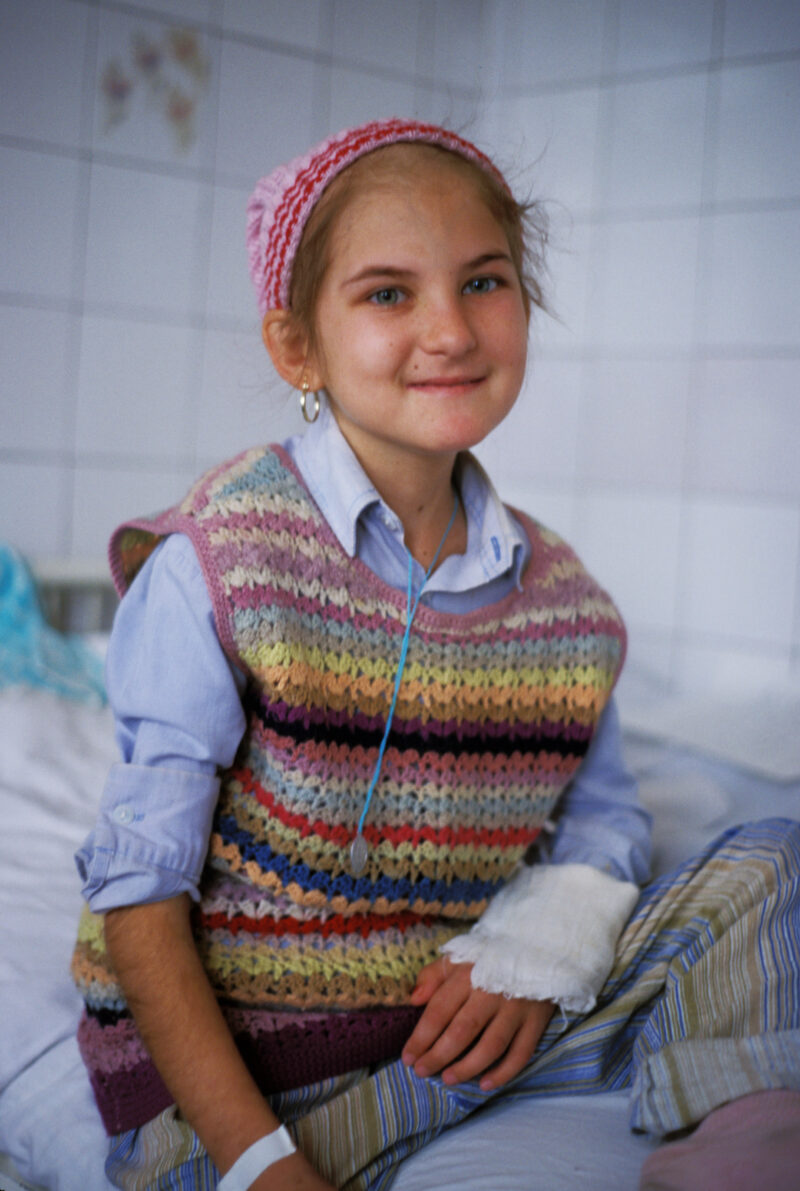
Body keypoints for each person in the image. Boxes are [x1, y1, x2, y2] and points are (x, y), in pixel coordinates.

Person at [72, 118, 800, 1191]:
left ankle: (743, 1138)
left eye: (483, 282)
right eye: (386, 294)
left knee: (771, 858)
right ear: (296, 348)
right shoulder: (221, 562)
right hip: (251, 1077)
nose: (449, 331)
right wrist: (259, 1163)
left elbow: (602, 819)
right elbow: (139, 900)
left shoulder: (567, 608)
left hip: (452, 1041)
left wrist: (537, 953)